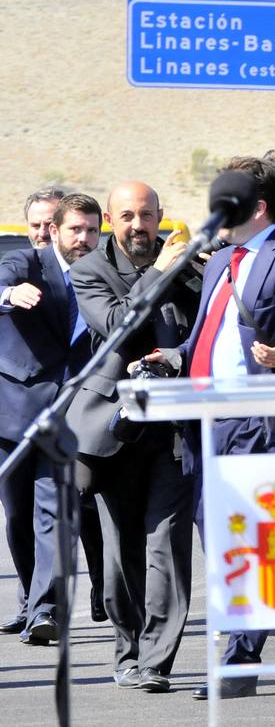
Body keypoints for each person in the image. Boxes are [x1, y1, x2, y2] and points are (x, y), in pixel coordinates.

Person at [146, 155, 275, 698]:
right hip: (206, 422)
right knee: (222, 539)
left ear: (257, 209)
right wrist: (172, 355)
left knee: (249, 541)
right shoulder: (217, 262)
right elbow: (209, 341)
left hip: (260, 423)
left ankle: (239, 663)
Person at [68, 181, 199, 692]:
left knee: (167, 543)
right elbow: (119, 323)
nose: (138, 226)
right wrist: (164, 270)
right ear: (109, 220)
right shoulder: (89, 271)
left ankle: (157, 661)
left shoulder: (191, 267)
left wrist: (179, 356)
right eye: (127, 216)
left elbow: (203, 333)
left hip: (174, 428)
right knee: (122, 548)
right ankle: (128, 650)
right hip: (113, 427)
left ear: (160, 216)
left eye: (146, 216)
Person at [0, 193, 101, 645]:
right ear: (55, 232)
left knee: (54, 511)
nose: (84, 239)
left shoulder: (100, 274)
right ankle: (30, 598)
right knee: (19, 515)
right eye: (76, 230)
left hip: (70, 413)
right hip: (17, 411)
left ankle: (46, 610)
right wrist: (9, 293)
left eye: (92, 230)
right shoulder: (26, 263)